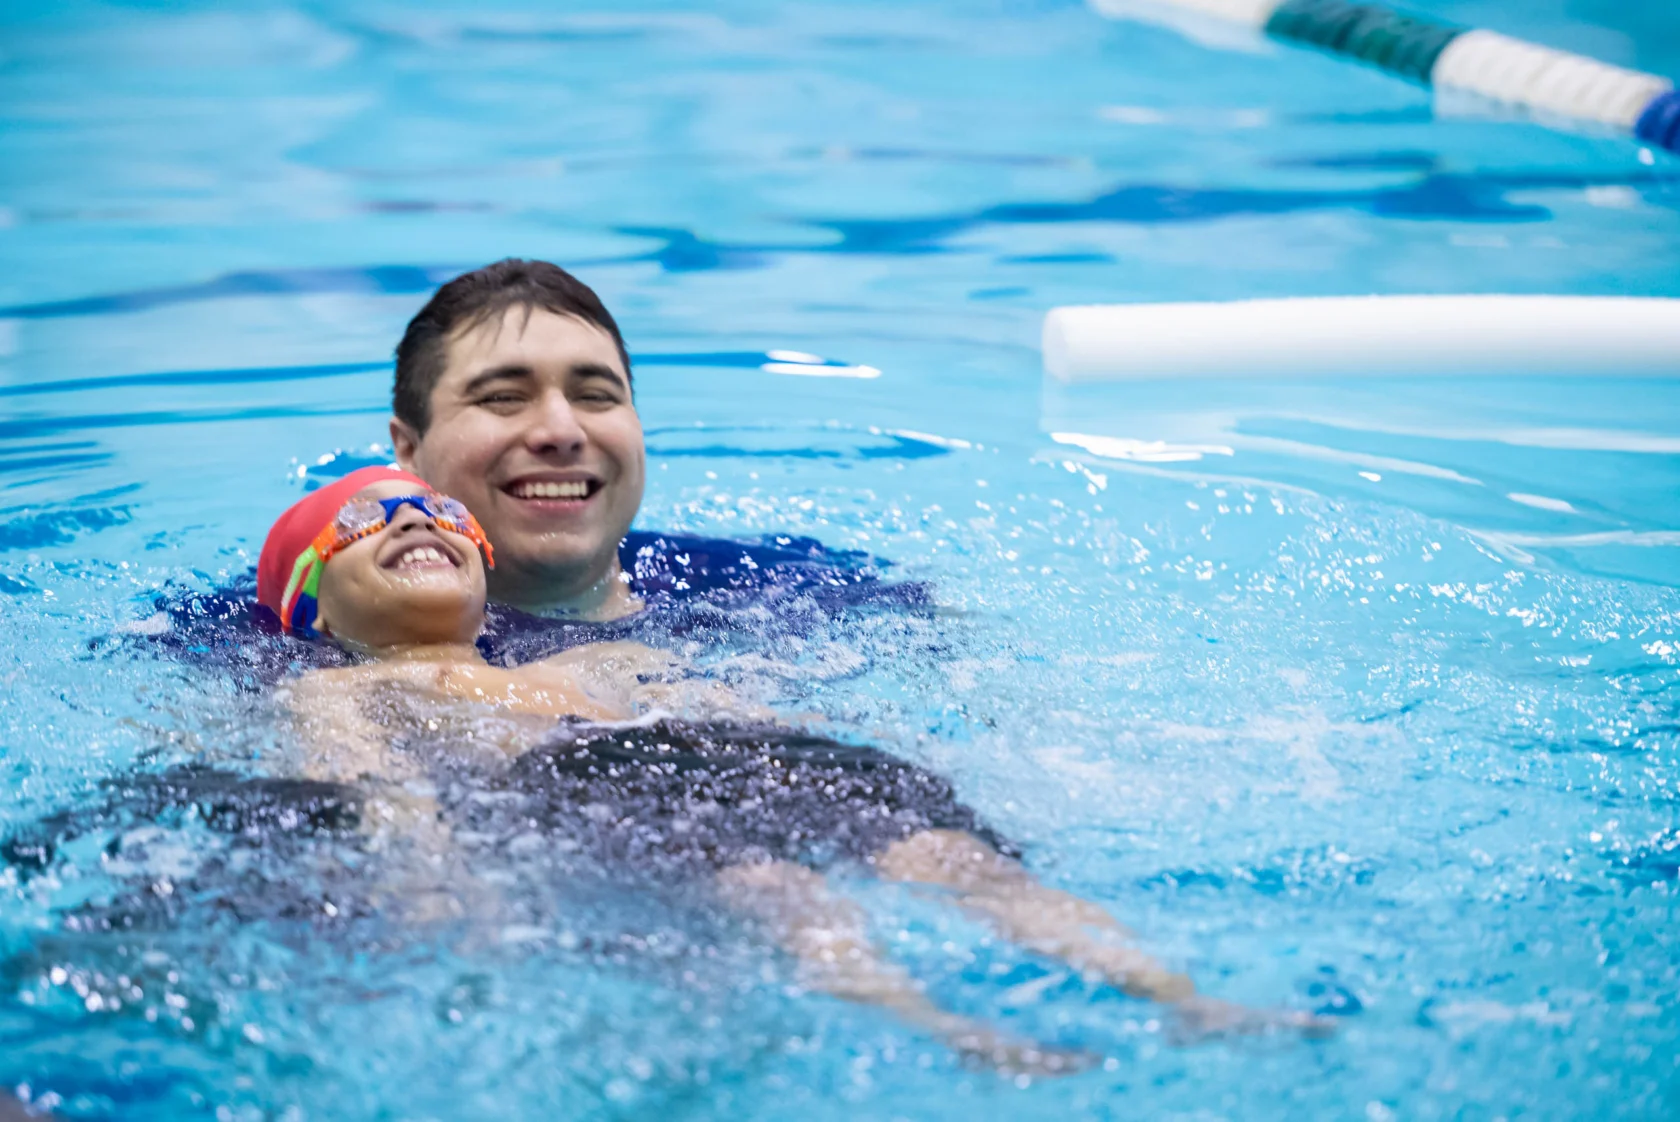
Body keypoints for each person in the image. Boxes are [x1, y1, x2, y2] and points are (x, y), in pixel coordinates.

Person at [255, 467, 1332, 1073]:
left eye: (439, 513)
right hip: (582, 788)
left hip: (758, 760)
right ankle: (954, 1030)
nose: (412, 518)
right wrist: (433, 876)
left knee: (960, 861)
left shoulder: (605, 651)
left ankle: (1183, 998)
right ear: (312, 597)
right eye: (366, 520)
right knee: (781, 894)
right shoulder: (337, 689)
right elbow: (366, 788)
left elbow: (746, 707)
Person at [388, 258, 645, 619]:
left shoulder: (740, 584)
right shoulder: (321, 647)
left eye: (595, 395)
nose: (562, 432)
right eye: (503, 397)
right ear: (409, 449)